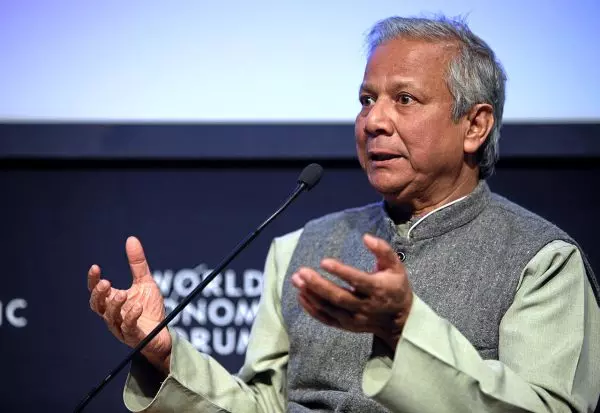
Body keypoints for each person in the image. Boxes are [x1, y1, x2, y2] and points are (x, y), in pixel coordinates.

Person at [87, 15, 600, 412]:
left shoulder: (541, 261)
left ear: (474, 126)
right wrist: (166, 356)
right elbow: (266, 405)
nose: (373, 120)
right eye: (366, 99)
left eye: (404, 99)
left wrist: (406, 328)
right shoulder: (299, 249)